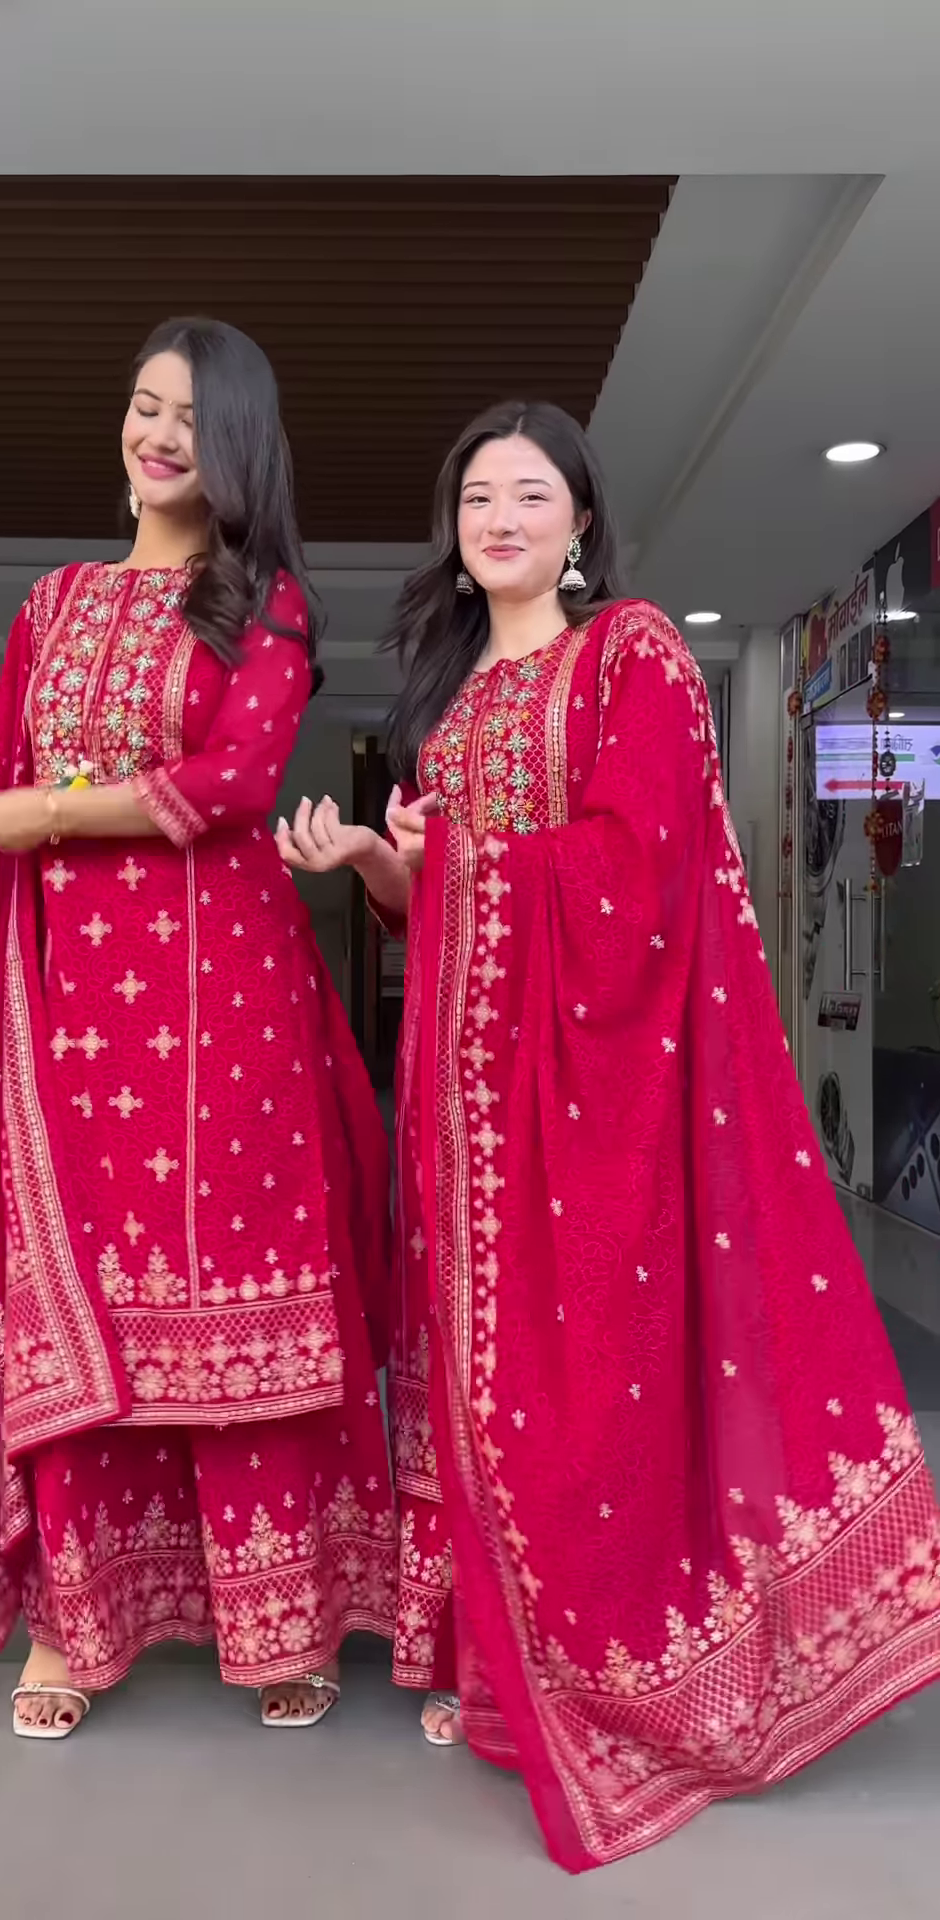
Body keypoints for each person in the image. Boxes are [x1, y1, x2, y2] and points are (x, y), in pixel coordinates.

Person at [277, 400, 940, 1870]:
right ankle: (482, 1648)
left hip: (596, 1097)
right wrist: (384, 858)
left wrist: (441, 853)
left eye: (530, 494)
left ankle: (608, 1649)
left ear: (582, 521)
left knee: (590, 1367)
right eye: (475, 501)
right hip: (463, 1101)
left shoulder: (628, 653)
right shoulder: (453, 704)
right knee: (466, 1352)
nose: (499, 519)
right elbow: (429, 913)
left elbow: (638, 871)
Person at [0, 317, 395, 1739]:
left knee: (245, 1298)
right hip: (80, 1026)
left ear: (236, 450)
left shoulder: (263, 598)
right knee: (89, 1304)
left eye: (189, 418)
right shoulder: (50, 604)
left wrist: (54, 813)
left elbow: (236, 779)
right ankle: (80, 1628)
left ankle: (282, 1613)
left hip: (232, 1008)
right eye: (143, 407)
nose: (158, 436)